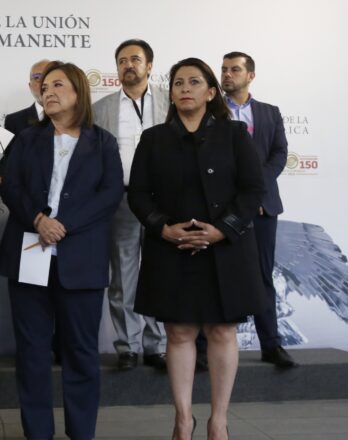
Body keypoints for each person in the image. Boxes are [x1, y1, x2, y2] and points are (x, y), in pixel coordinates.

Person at [128, 57, 266, 440]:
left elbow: (253, 189)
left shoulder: (236, 134)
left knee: (222, 332)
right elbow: (138, 194)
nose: (184, 88)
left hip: (225, 250)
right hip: (171, 248)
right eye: (177, 83)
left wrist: (223, 230)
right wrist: (163, 228)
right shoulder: (153, 138)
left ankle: (218, 420)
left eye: (194, 81)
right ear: (170, 94)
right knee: (180, 332)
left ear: (210, 91)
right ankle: (183, 419)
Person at [0, 61, 124, 440]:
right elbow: (10, 186)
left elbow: (110, 194)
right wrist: (38, 220)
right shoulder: (26, 139)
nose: (48, 92)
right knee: (33, 355)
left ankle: (81, 432)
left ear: (79, 92)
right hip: (30, 256)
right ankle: (38, 433)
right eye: (44, 86)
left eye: (57, 85)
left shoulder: (103, 142)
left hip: (80, 260)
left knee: (81, 354)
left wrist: (62, 225)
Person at [93, 39, 168, 371]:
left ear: (149, 66)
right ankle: (128, 346)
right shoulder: (102, 108)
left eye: (135, 59)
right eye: (122, 60)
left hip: (164, 202)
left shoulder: (171, 102)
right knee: (123, 277)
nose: (128, 65)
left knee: (161, 272)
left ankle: (158, 346)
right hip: (121, 200)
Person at [221, 51, 295, 368]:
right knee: (216, 276)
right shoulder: (211, 113)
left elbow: (279, 154)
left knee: (263, 276)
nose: (227, 75)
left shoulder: (269, 112)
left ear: (250, 75)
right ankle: (204, 348)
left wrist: (254, 188)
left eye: (234, 69)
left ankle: (271, 345)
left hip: (263, 206)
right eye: (223, 69)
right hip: (221, 208)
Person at [3, 59, 51, 136]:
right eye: (37, 77)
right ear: (30, 86)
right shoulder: (14, 121)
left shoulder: (73, 117)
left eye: (48, 76)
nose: (43, 82)